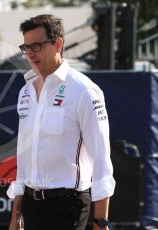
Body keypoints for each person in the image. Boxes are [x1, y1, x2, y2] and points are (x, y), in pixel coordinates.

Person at [7, 14, 115, 230]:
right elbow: (24, 155)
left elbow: (102, 162)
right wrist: (16, 214)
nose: (29, 54)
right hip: (30, 206)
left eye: (36, 46)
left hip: (68, 207)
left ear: (58, 44)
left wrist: (100, 223)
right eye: (26, 47)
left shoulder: (85, 90)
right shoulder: (25, 91)